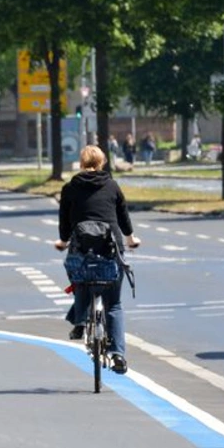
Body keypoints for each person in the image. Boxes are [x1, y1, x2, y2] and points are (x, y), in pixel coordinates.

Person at [56, 144, 140, 374]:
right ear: (102, 162)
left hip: (81, 250)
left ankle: (80, 320)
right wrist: (131, 239)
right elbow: (123, 216)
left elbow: (64, 221)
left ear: (81, 164)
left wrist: (63, 241)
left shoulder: (70, 187)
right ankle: (118, 354)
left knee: (80, 277)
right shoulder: (112, 185)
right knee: (114, 304)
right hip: (111, 250)